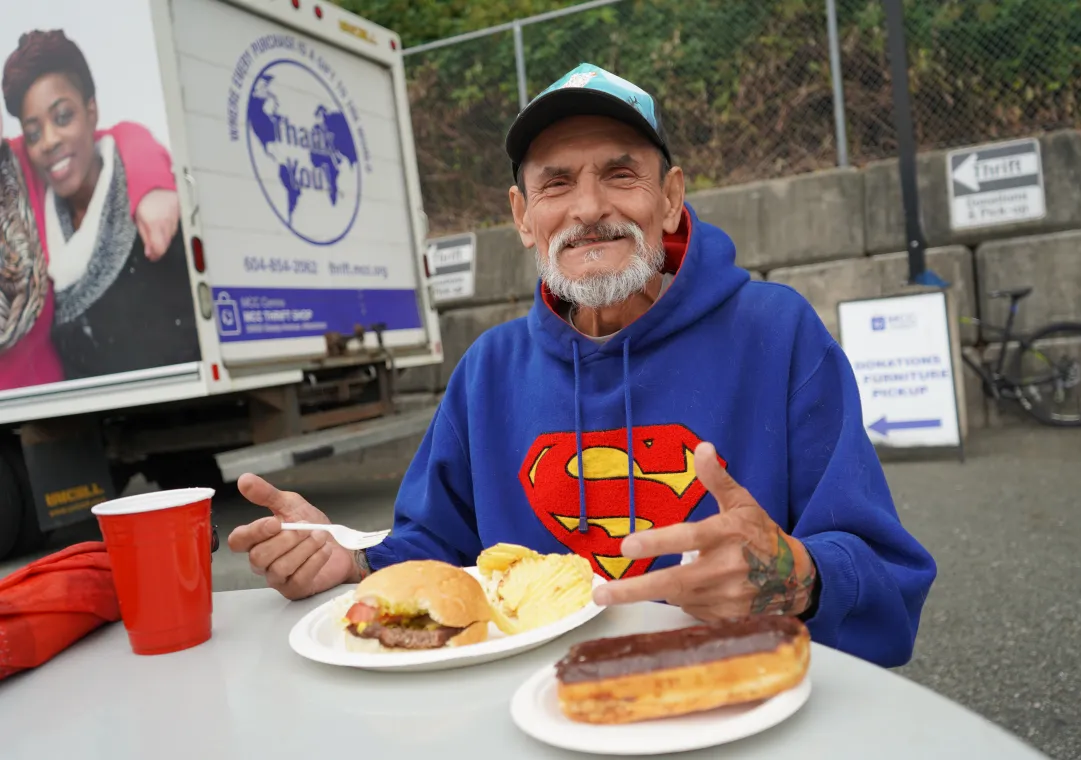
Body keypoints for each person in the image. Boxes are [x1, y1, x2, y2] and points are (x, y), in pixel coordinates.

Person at [228, 63, 937, 667]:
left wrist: (795, 575)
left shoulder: (776, 335)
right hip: (534, 711)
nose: (590, 208)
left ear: (670, 198)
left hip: (736, 696)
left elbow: (882, 569)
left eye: (621, 174)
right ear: (522, 215)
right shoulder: (488, 372)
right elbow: (434, 545)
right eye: (557, 183)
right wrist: (348, 560)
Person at [2, 29, 199, 382]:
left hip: (82, 416)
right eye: (34, 133)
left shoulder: (17, 172)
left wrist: (152, 185)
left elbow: (120, 137)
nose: (47, 141)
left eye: (62, 117)